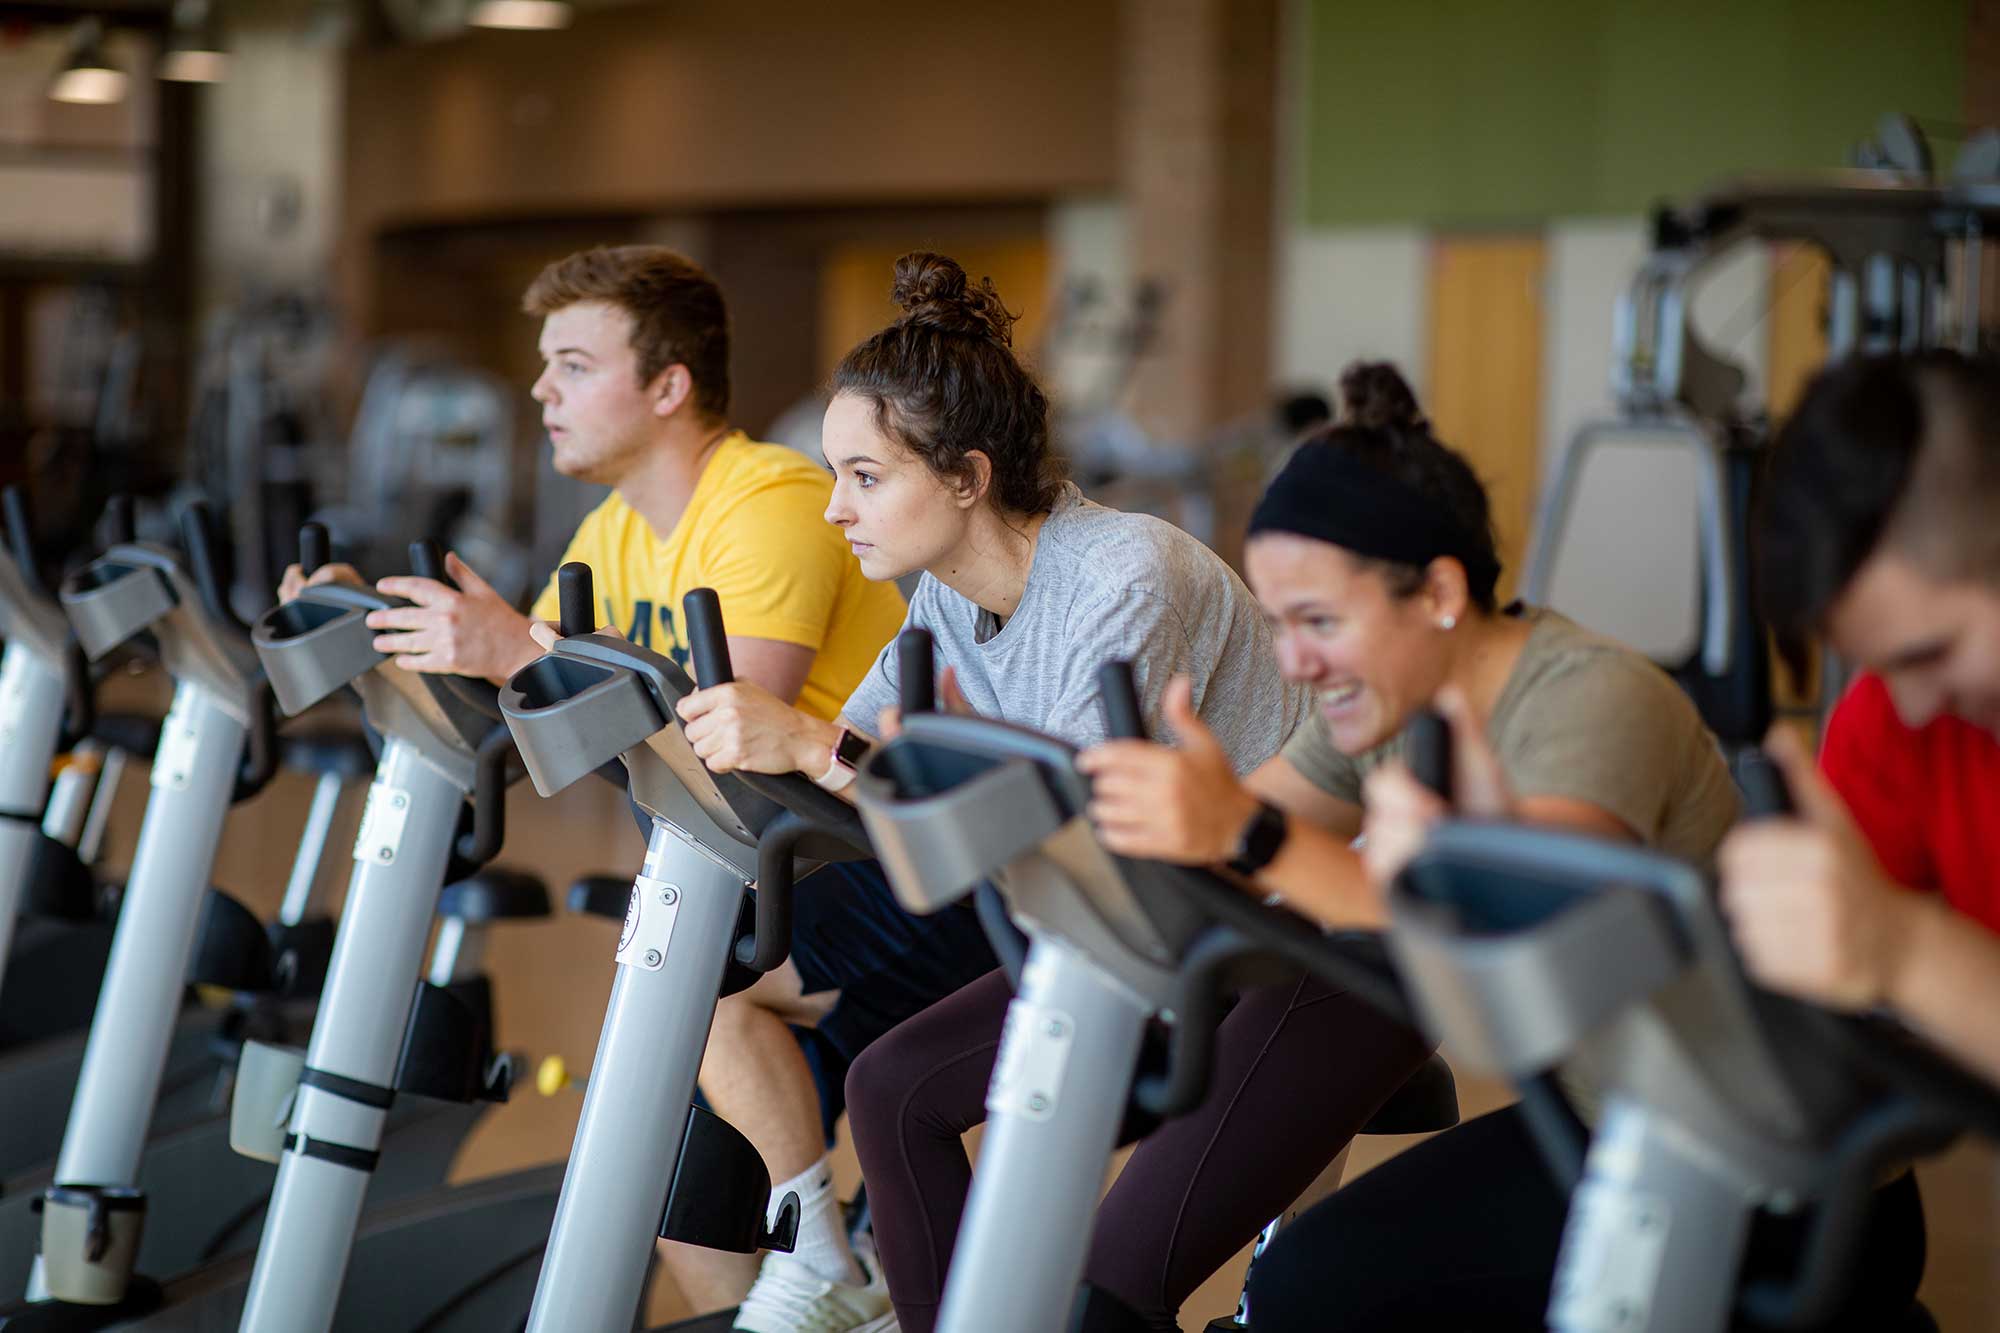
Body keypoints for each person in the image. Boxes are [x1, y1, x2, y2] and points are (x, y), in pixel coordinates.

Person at [671, 251, 1312, 1333]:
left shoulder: (1121, 573)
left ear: (965, 477)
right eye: (835, 475)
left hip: (1235, 936)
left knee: (914, 1101)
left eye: (864, 478)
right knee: (881, 1081)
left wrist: (819, 744)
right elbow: (862, 752)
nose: (833, 509)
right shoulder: (944, 600)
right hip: (1091, 925)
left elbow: (1051, 813)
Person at [1048, 361, 1747, 1333]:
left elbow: (1525, 951)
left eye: (1318, 622)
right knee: (1300, 1277)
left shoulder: (1588, 701)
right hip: (1602, 1120)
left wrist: (1242, 831)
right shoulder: (1390, 701)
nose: (1291, 660)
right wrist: (1070, 806)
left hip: (1739, 1157)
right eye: (1278, 622)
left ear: (1438, 593)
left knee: (1312, 1290)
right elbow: (1233, 833)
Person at [280, 245, 908, 1325]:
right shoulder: (610, 534)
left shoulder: (769, 501)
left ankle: (829, 1262)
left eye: (572, 364)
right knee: (673, 1202)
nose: (540, 391)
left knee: (688, 1074)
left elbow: (738, 746)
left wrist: (514, 651)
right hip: (745, 900)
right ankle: (808, 1298)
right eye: (544, 365)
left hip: (864, 870)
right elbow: (519, 710)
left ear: (667, 388)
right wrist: (369, 632)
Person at [1721, 350, 2000, 1087]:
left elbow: (1886, 945)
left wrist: (1900, 946)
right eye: (1880, 665)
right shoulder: (1889, 719)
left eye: (1933, 651)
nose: (1911, 705)